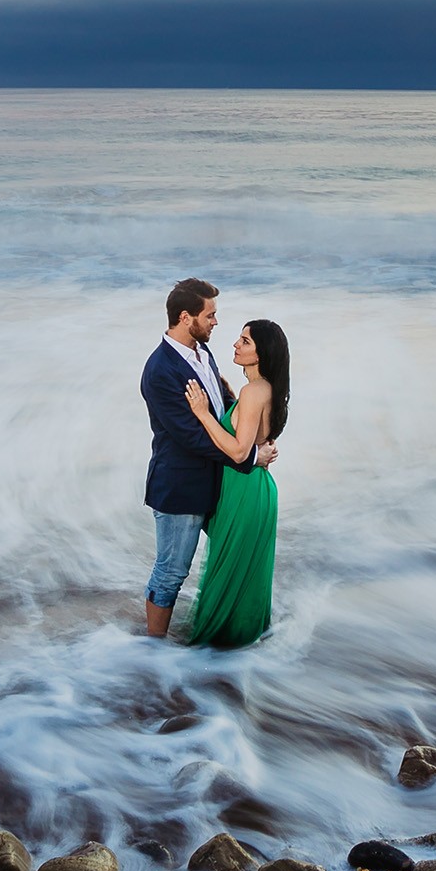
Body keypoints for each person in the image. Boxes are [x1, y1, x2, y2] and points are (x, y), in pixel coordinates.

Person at [140, 278, 274, 638]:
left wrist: (246, 417)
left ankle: (231, 626)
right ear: (186, 317)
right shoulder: (160, 372)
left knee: (229, 560)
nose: (216, 322)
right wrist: (250, 458)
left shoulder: (202, 352)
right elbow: (191, 436)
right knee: (171, 572)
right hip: (181, 486)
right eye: (210, 315)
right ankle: (152, 652)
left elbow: (217, 404)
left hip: (219, 482)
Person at [178, 317, 288, 648]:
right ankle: (239, 649)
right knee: (243, 575)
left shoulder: (253, 392)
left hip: (244, 489)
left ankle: (214, 650)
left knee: (226, 573)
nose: (235, 345)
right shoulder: (262, 390)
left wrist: (203, 414)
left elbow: (240, 452)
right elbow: (252, 436)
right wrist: (229, 401)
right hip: (257, 489)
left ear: (262, 353)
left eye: (245, 341)